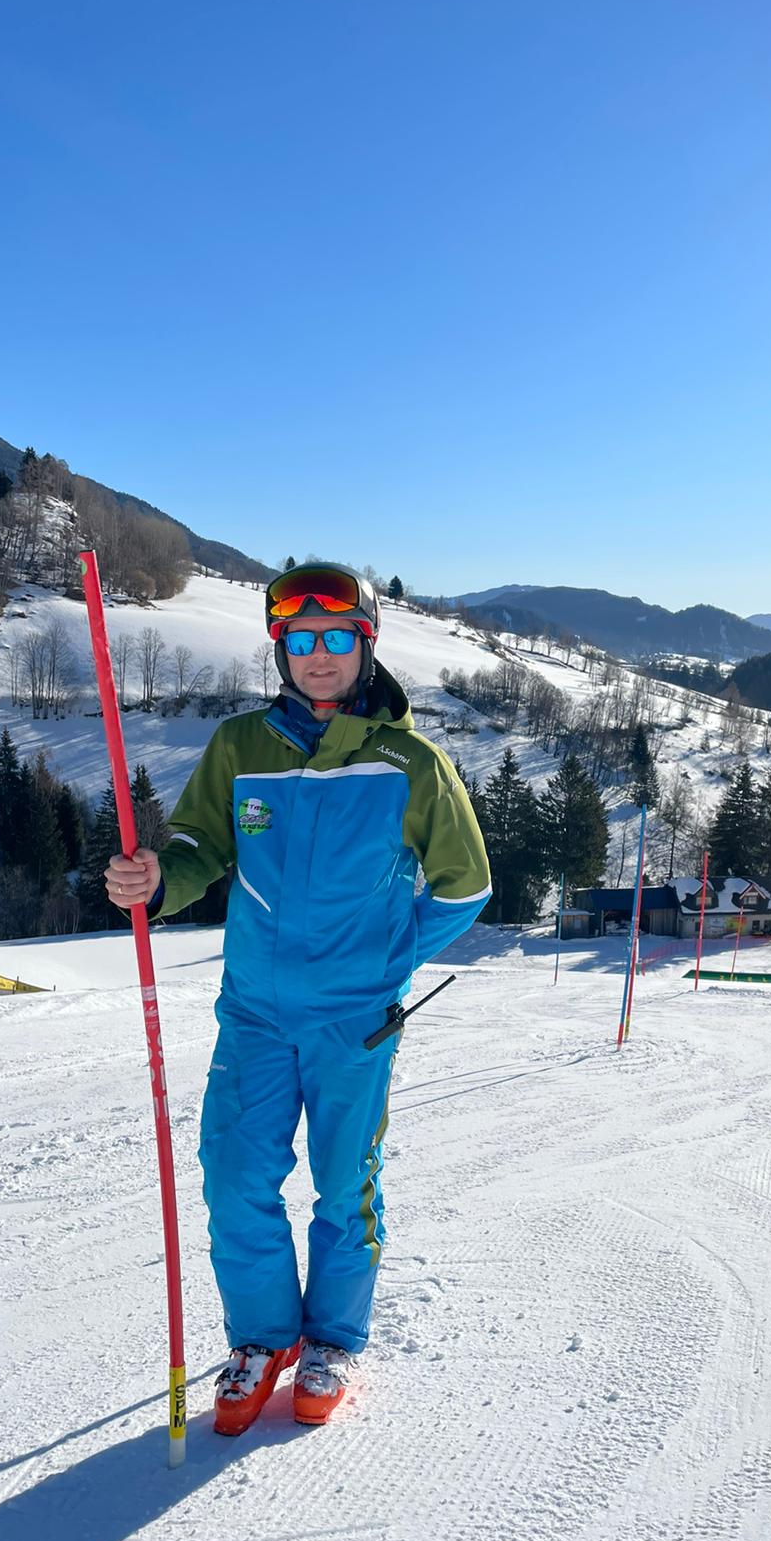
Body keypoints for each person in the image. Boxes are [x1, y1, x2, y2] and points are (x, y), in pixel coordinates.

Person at [104, 565, 490, 1434]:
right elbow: (199, 845)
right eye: (302, 639)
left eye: (338, 637)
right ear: (281, 650)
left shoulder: (410, 764)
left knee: (344, 1183)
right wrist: (157, 879)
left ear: (366, 645)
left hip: (355, 1022)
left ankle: (331, 1341)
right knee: (236, 1176)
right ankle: (264, 1339)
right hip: (255, 1012)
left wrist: (384, 963)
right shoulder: (241, 746)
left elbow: (465, 887)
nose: (320, 655)